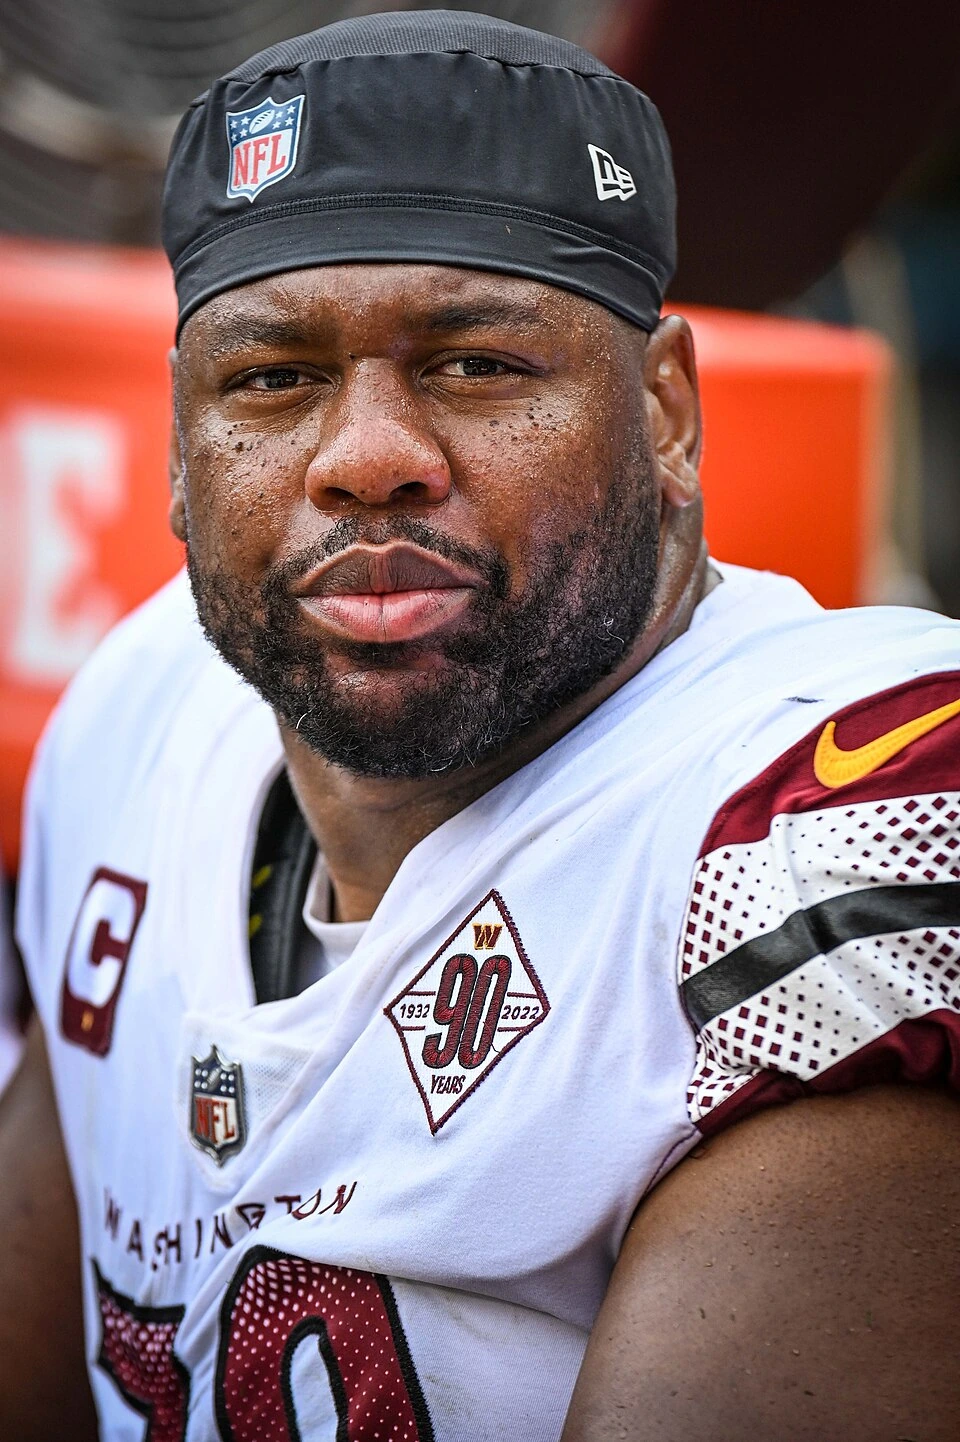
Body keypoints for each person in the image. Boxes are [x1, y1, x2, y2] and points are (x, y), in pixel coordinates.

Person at [3, 11, 959, 1441]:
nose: (366, 460)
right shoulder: (143, 710)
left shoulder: (826, 812)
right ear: (179, 452)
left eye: (474, 365)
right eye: (274, 378)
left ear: (667, 414)